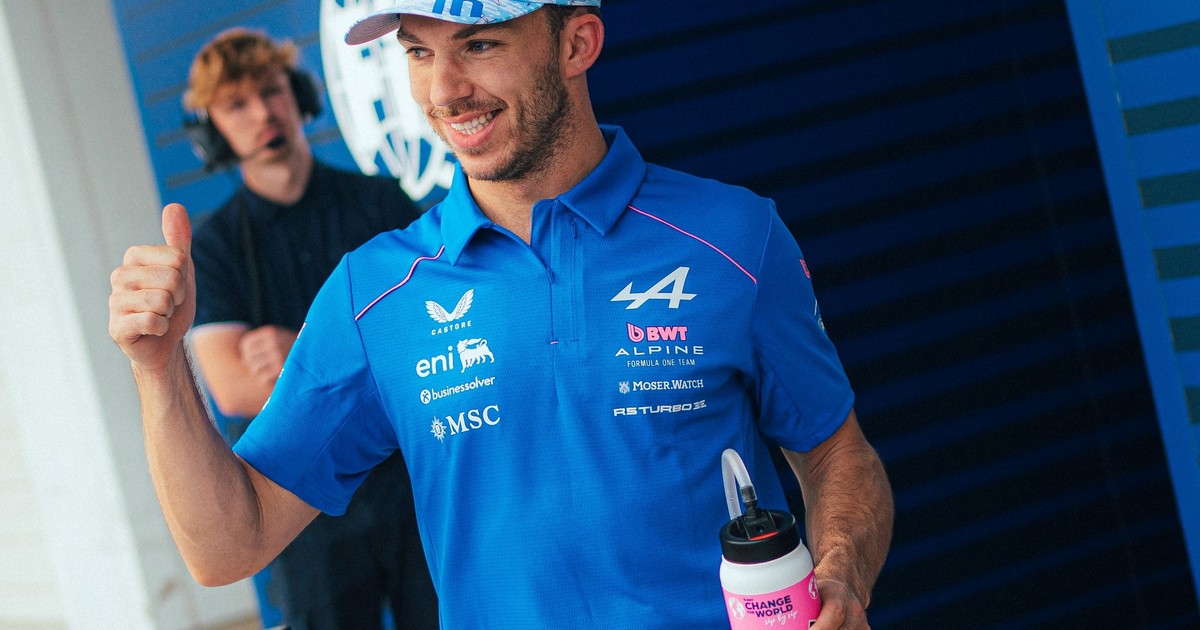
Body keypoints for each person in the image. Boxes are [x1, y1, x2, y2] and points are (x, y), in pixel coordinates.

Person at [108, 3, 893, 628]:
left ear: (576, 43)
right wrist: (158, 368)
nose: (444, 90)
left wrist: (842, 574)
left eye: (479, 45)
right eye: (419, 52)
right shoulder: (374, 292)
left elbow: (836, 454)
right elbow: (228, 543)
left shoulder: (732, 235)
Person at [176, 28, 437, 630]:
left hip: (412, 489)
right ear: (212, 131)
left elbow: (428, 351)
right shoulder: (215, 247)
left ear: (297, 95)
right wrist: (371, 362)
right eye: (236, 105)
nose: (263, 113)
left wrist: (298, 355)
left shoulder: (381, 204)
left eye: (271, 91)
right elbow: (233, 389)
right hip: (298, 508)